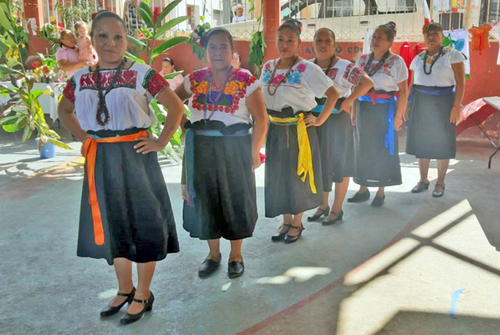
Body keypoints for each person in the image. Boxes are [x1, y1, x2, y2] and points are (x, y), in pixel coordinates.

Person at [57, 11, 185, 325]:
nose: (111, 43)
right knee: (114, 223)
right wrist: (87, 138)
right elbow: (64, 110)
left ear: (126, 39)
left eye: (118, 37)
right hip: (101, 159)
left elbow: (176, 107)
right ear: (92, 39)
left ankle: (143, 292)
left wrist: (160, 141)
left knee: (144, 222)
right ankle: (124, 288)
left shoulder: (142, 73)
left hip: (136, 156)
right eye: (103, 36)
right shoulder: (80, 77)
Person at [175, 27, 267, 279]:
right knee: (206, 201)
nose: (217, 52)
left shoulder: (246, 80)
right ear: (205, 51)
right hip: (201, 151)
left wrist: (254, 152)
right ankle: (213, 254)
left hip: (234, 149)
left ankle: (235, 255)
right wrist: (186, 125)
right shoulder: (194, 79)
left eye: (223, 47)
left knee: (236, 199)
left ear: (232, 51)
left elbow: (261, 119)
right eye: (212, 47)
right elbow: (173, 101)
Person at [261, 19, 339, 244]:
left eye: (290, 41)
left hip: (299, 131)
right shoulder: (268, 67)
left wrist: (319, 119)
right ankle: (285, 220)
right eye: (281, 40)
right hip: (276, 129)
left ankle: (297, 222)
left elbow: (332, 94)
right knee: (278, 175)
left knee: (297, 177)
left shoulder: (307, 68)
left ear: (299, 43)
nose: (285, 45)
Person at [307, 28, 374, 225]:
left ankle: (337, 208)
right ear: (313, 44)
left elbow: (367, 82)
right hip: (315, 120)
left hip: (337, 120)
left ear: (334, 44)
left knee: (340, 164)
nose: (323, 44)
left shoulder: (345, 66)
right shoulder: (308, 66)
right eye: (319, 40)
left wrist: (349, 100)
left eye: (327, 40)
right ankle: (323, 205)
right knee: (321, 164)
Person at [350, 22, 409, 207]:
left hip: (385, 110)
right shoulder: (362, 60)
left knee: (383, 148)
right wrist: (353, 111)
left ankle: (381, 191)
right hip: (364, 108)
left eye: (380, 38)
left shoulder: (396, 62)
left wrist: (399, 116)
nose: (375, 40)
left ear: (390, 41)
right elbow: (356, 87)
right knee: (362, 147)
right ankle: (362, 188)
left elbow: (404, 91)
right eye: (374, 37)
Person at [406, 22, 466, 197]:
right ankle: (423, 180)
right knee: (422, 141)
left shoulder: (453, 55)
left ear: (442, 35)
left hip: (444, 103)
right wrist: (407, 105)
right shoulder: (418, 58)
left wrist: (456, 106)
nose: (431, 37)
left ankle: (440, 182)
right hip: (421, 102)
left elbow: (461, 82)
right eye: (428, 34)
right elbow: (413, 83)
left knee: (442, 142)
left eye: (435, 33)